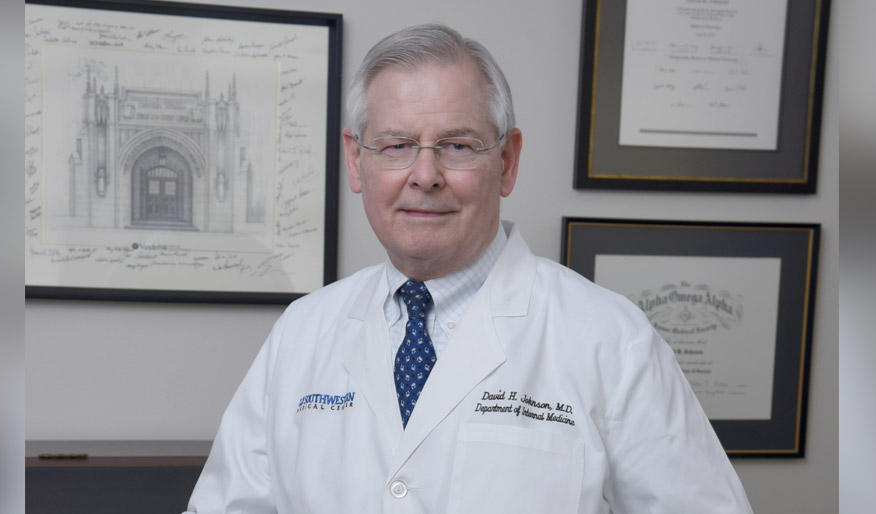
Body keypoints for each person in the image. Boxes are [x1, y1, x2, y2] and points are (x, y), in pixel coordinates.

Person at [185, 24, 753, 514]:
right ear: (357, 161)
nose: (425, 174)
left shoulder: (610, 339)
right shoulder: (302, 332)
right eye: (396, 145)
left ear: (506, 163)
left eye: (457, 146)